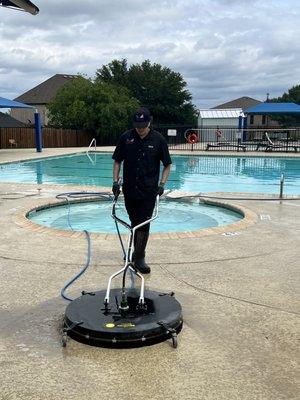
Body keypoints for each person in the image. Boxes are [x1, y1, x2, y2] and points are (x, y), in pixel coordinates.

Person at [112, 107, 172, 274]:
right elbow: (117, 161)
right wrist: (115, 182)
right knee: (134, 222)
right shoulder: (126, 138)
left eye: (143, 126)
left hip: (148, 191)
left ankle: (139, 257)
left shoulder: (158, 140)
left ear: (149, 122)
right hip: (130, 190)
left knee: (143, 222)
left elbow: (167, 164)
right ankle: (135, 252)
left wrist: (162, 184)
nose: (140, 129)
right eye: (137, 125)